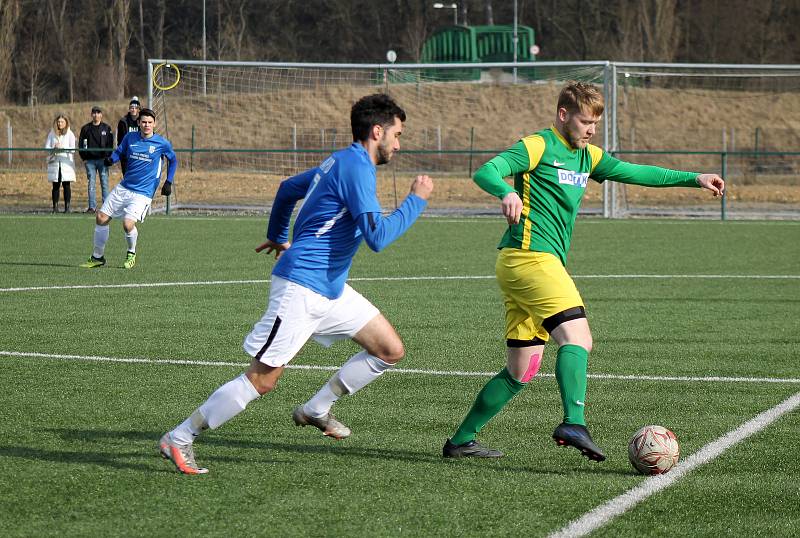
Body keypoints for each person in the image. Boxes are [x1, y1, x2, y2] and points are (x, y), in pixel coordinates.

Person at [442, 81, 725, 462]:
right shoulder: (539, 145)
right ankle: (574, 421)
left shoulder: (588, 157)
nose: (591, 129)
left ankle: (461, 440)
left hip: (529, 263)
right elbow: (487, 171)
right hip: (530, 258)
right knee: (578, 336)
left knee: (521, 369)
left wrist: (694, 178)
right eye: (585, 121)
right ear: (563, 115)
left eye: (595, 123)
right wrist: (505, 191)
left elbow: (637, 172)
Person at [159, 93, 434, 475]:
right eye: (397, 134)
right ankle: (181, 437)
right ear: (377, 131)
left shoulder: (342, 161)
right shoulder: (356, 167)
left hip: (330, 288)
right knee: (263, 379)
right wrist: (416, 201)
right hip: (302, 287)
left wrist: (277, 234)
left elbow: (289, 187)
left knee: (388, 349)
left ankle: (316, 409)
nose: (399, 144)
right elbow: (377, 237)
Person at [79, 108, 177, 270]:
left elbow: (173, 160)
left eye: (150, 122)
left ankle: (131, 253)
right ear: (138, 123)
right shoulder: (130, 137)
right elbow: (120, 151)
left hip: (143, 193)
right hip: (124, 187)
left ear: (155, 124)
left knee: (127, 224)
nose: (146, 125)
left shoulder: (162, 143)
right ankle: (97, 257)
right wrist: (112, 159)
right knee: (101, 217)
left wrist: (169, 182)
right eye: (144, 122)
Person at [78, 105, 115, 213]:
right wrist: (84, 157)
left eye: (98, 113)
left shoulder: (106, 128)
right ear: (91, 114)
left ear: (101, 115)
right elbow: (81, 144)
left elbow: (110, 144)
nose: (96, 115)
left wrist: (108, 157)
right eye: (94, 113)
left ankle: (106, 207)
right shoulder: (85, 128)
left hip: (103, 160)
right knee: (91, 183)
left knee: (104, 183)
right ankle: (92, 207)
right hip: (90, 161)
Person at [44, 114, 77, 213]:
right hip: (55, 163)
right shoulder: (52, 133)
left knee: (66, 185)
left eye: (62, 122)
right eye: (58, 122)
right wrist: (54, 148)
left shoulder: (70, 134)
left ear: (66, 122)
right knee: (55, 185)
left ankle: (67, 208)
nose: (60, 123)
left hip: (66, 164)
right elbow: (46, 148)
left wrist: (63, 148)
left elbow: (73, 149)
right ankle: (55, 207)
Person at [116, 96, 141, 174]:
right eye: (132, 107)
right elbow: (119, 139)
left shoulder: (142, 121)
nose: (133, 109)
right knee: (127, 176)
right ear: (129, 109)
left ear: (138, 109)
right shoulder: (123, 122)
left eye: (136, 107)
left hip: (138, 154)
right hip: (126, 154)